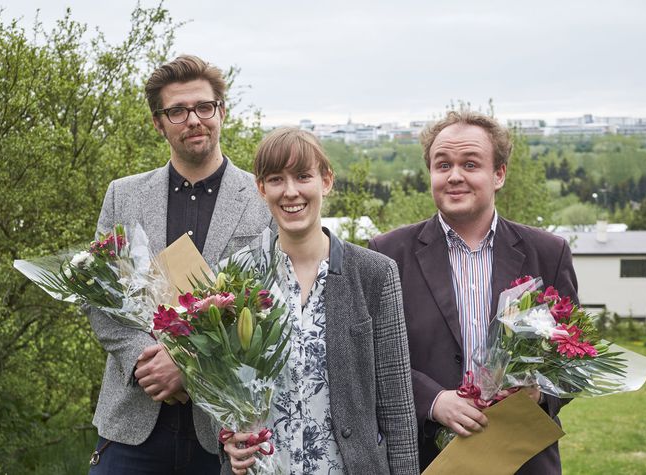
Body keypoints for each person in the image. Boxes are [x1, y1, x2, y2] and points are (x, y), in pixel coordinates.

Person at [85, 55, 272, 474]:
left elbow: (272, 305)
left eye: (204, 107)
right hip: (134, 421)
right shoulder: (123, 195)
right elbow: (98, 298)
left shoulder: (263, 200)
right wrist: (144, 361)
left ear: (222, 112)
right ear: (158, 122)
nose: (193, 120)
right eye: (177, 111)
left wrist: (187, 367)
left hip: (226, 432)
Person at [369, 110, 577, 474]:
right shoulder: (387, 254)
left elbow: (572, 356)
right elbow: (371, 353)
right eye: (443, 164)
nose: (454, 176)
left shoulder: (548, 252)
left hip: (522, 457)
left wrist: (539, 394)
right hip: (427, 457)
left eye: (470, 164)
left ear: (499, 174)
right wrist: (432, 401)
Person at [222, 127, 420, 474]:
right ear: (261, 188)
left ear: (326, 181)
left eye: (303, 176)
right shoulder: (236, 275)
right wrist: (225, 438)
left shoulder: (374, 273)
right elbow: (220, 387)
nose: (291, 191)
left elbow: (397, 406)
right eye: (276, 179)